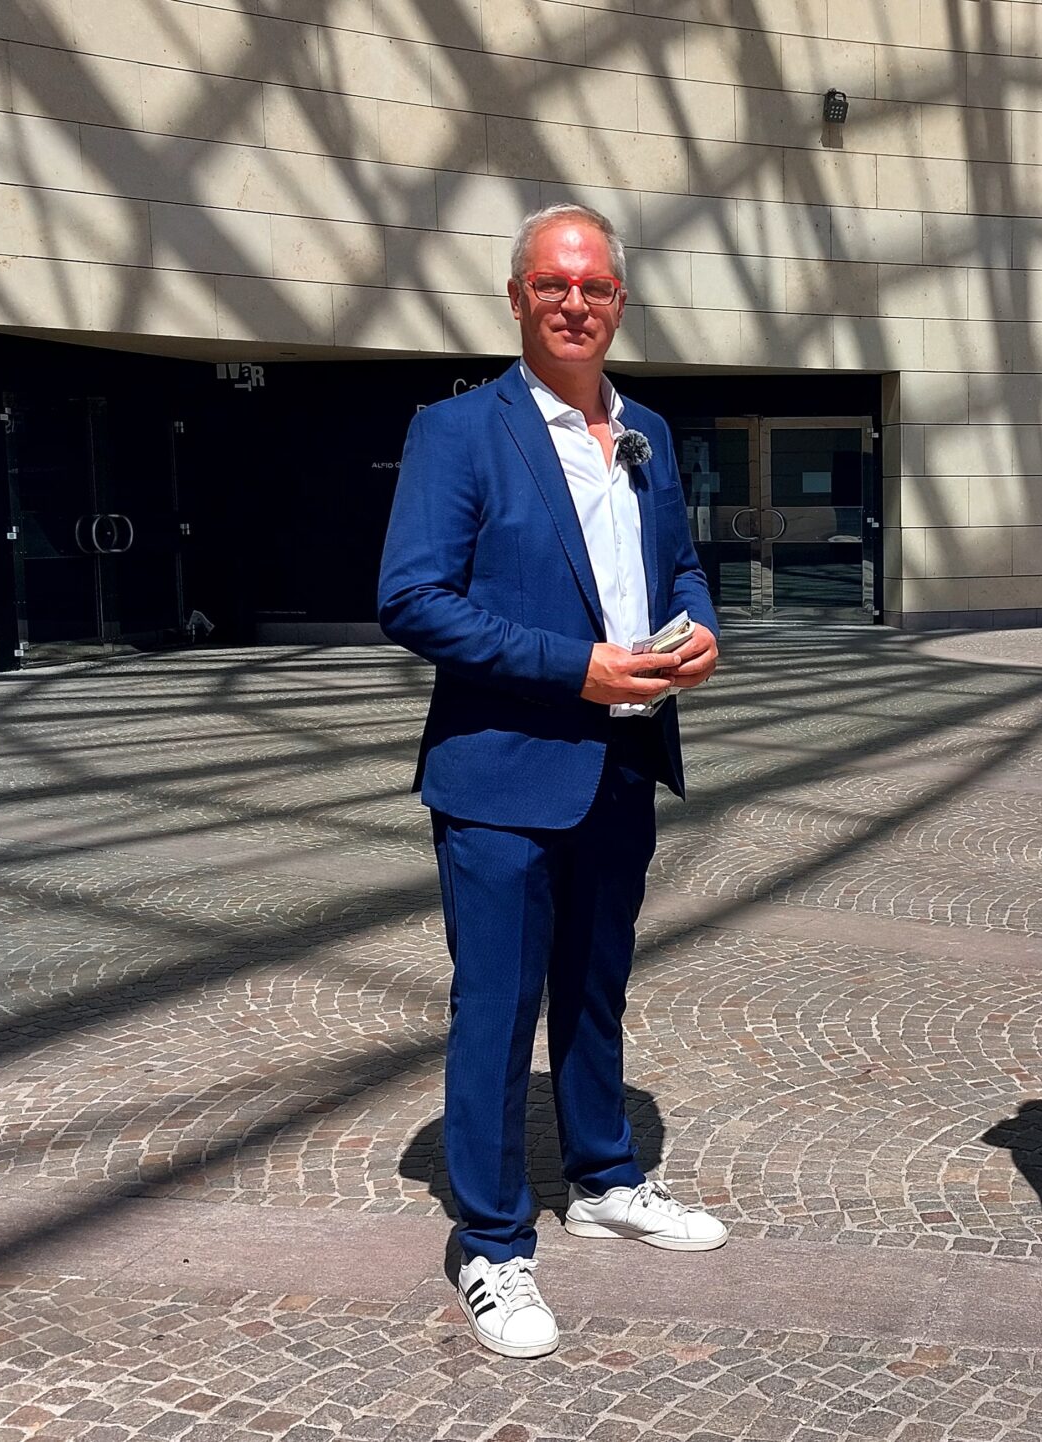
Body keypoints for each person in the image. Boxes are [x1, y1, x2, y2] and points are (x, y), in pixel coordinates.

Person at [378, 202, 728, 1360]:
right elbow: (412, 597)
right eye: (552, 283)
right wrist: (573, 667)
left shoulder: (649, 430)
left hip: (623, 759)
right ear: (517, 297)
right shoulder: (458, 430)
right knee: (496, 1005)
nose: (574, 302)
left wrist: (700, 627)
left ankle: (605, 1177)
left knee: (593, 986)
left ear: (619, 300)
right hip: (499, 774)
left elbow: (679, 564)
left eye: (594, 285)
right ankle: (490, 1241)